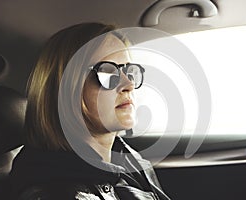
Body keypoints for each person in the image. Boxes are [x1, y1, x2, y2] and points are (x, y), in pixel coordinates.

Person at [9, 22, 171, 200]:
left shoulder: (127, 157)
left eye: (129, 71)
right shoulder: (51, 192)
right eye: (108, 73)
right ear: (64, 89)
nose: (129, 84)